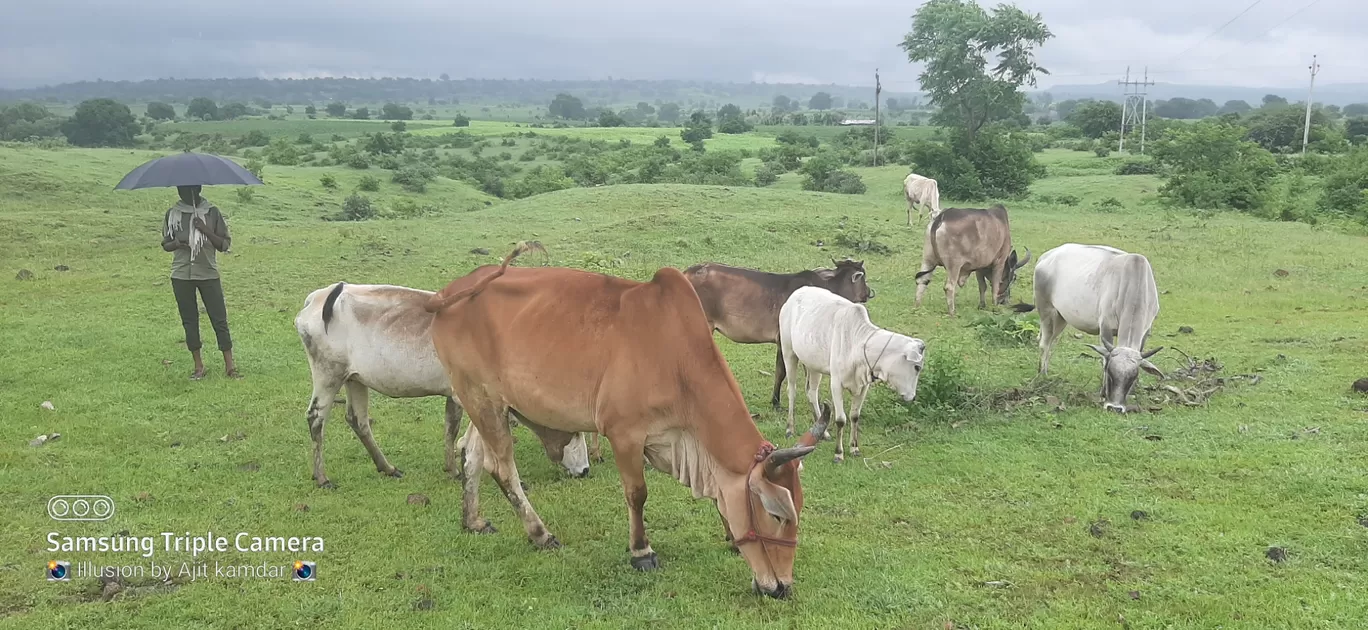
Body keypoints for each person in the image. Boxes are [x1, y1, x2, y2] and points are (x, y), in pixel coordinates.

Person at [161, 184, 239, 380]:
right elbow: (166, 244)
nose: (184, 193)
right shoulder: (173, 213)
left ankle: (230, 366)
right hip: (181, 274)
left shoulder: (212, 213)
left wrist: (204, 229)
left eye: (189, 190)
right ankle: (198, 366)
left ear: (198, 190)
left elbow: (224, 244)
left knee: (219, 318)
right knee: (189, 320)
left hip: (208, 273)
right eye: (181, 189)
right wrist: (178, 244)